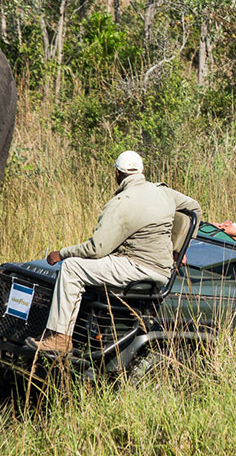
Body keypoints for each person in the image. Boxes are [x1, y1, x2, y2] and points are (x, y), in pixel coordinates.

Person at [26, 150, 202, 354]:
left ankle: (60, 338)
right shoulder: (163, 192)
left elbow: (96, 249)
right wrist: (179, 249)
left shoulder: (120, 203)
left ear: (117, 174)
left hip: (137, 267)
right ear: (141, 171)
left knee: (72, 268)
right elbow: (194, 208)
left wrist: (62, 253)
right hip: (162, 269)